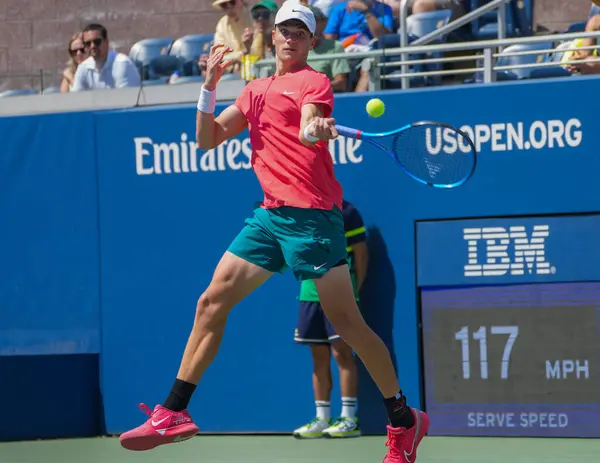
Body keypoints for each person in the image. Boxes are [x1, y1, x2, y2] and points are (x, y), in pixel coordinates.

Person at [119, 3, 429, 462]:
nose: (289, 38)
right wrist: (208, 87)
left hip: (312, 218)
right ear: (274, 37)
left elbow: (307, 126)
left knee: (347, 325)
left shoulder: (314, 81)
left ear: (310, 42)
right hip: (269, 217)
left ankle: (403, 420)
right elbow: (207, 139)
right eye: (284, 31)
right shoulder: (253, 89)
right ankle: (174, 411)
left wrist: (315, 128)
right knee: (211, 301)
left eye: (299, 33)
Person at [293, 199, 368, 439]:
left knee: (342, 354)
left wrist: (354, 289)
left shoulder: (347, 211)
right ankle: (322, 418)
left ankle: (349, 419)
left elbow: (361, 253)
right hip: (308, 294)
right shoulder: (300, 211)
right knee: (318, 356)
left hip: (340, 293)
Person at [72, 23, 140, 91]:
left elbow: (126, 99)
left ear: (106, 42)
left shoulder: (122, 64)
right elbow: (76, 98)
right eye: (88, 43)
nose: (92, 46)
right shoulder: (83, 68)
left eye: (97, 42)